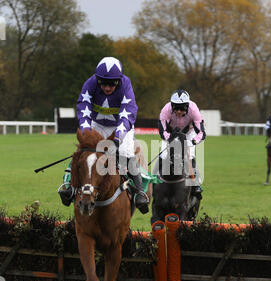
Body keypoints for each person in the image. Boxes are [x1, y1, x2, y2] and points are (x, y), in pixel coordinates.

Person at [58, 56, 149, 214]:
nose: (107, 88)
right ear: (97, 80)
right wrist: (86, 134)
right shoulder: (90, 83)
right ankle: (68, 187)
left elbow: (127, 114)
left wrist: (118, 137)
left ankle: (140, 193)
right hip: (97, 124)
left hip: (120, 125)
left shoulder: (126, 85)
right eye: (103, 83)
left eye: (112, 83)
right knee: (83, 152)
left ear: (118, 81)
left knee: (125, 152)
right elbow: (83, 107)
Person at [157, 89, 206, 199]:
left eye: (182, 108)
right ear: (172, 106)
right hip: (171, 133)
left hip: (189, 133)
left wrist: (192, 142)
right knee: (163, 154)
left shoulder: (194, 110)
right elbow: (162, 131)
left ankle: (195, 184)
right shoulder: (166, 110)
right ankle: (156, 180)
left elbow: (202, 133)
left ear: (187, 106)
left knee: (189, 155)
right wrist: (172, 140)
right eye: (176, 108)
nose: (179, 111)